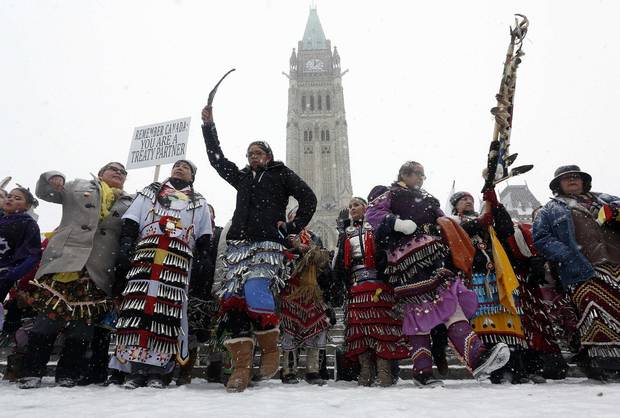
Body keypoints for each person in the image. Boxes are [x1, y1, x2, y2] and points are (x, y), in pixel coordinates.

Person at [201, 104, 317, 392]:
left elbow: (309, 198)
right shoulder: (241, 178)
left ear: (268, 156)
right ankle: (240, 367)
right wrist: (208, 127)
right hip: (239, 245)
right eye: (250, 153)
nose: (254, 157)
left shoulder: (280, 173)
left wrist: (292, 227)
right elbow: (217, 160)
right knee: (232, 301)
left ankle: (269, 349)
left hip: (268, 243)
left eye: (259, 153)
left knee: (256, 288)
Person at [365, 161, 510, 387]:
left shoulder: (429, 199)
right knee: (424, 311)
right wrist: (396, 223)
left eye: (423, 175)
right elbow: (373, 213)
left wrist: (487, 197)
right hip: (407, 262)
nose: (422, 179)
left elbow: (449, 224)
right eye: (417, 174)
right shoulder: (391, 194)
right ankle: (438, 366)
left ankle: (462, 361)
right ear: (404, 174)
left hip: (435, 259)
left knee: (444, 306)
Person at [19, 162, 132, 389]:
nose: (118, 173)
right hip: (66, 260)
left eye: (123, 172)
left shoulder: (131, 202)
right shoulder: (77, 185)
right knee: (47, 320)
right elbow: (45, 192)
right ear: (100, 173)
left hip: (99, 266)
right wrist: (53, 176)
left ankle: (68, 373)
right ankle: (32, 371)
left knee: (83, 324)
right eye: (113, 169)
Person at [108, 160, 212, 388]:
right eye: (177, 165)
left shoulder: (199, 202)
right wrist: (126, 245)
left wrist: (203, 262)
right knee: (138, 308)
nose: (180, 168)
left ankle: (158, 371)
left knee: (166, 313)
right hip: (148, 252)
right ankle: (135, 370)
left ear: (192, 177)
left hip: (178, 258)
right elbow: (132, 220)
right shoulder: (150, 192)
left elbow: (204, 237)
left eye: (186, 167)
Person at [534, 165, 620, 381]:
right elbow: (542, 239)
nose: (572, 180)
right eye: (566, 178)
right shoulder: (549, 210)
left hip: (616, 260)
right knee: (595, 315)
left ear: (584, 181)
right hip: (582, 268)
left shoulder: (605, 199)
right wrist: (567, 255)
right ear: (558, 185)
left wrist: (615, 212)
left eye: (576, 177)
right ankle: (606, 363)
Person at [450, 190, 531, 383]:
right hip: (475, 278)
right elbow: (466, 232)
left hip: (498, 275)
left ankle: (517, 368)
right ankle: (497, 369)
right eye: (462, 199)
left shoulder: (487, 221)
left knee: (509, 319)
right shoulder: (452, 223)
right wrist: (485, 214)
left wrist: (494, 203)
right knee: (484, 322)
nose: (468, 201)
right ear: (455, 206)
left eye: (470, 198)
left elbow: (506, 229)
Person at [334, 196, 409, 387]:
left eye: (356, 205)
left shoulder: (375, 227)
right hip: (357, 285)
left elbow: (386, 250)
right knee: (360, 329)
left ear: (366, 208)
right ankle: (365, 371)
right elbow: (341, 263)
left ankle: (384, 371)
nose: (352, 208)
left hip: (378, 283)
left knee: (381, 327)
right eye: (350, 206)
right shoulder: (346, 232)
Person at [279, 208, 332, 385]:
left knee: (315, 328)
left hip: (312, 291)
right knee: (289, 330)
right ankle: (288, 370)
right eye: (294, 215)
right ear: (289, 219)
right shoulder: (282, 236)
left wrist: (317, 255)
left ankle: (313, 370)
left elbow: (324, 266)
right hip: (291, 291)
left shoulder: (314, 238)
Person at [0, 188, 41, 304]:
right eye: (9, 196)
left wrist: (12, 274)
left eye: (17, 198)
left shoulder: (28, 224)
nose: (11, 199)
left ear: (27, 206)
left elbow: (33, 254)